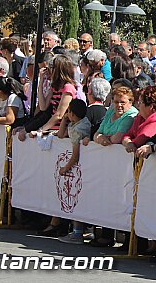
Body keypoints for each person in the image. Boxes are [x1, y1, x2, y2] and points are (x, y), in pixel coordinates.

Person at [56, 99, 92, 244]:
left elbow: (75, 155)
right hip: (80, 168)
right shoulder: (76, 124)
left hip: (79, 169)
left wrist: (65, 168)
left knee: (75, 197)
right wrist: (65, 120)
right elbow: (60, 135)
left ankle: (78, 232)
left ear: (73, 113)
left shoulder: (79, 129)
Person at [121, 86, 156, 153]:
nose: (138, 106)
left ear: (151, 106)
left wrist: (129, 142)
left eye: (140, 102)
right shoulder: (140, 117)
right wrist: (128, 143)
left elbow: (138, 142)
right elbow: (127, 135)